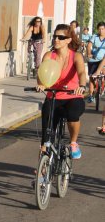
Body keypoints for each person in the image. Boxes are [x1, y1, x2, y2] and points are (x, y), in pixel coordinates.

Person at [36, 23, 87, 159]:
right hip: (53, 96)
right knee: (46, 133)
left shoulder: (76, 56)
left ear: (69, 40)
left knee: (72, 114)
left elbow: (82, 72)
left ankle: (73, 143)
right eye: (54, 37)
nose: (56, 40)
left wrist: (81, 86)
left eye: (60, 37)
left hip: (72, 96)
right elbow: (41, 73)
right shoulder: (49, 55)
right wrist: (40, 84)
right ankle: (43, 167)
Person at [86, 22, 105, 103]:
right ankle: (91, 95)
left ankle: (102, 86)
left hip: (103, 60)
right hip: (94, 60)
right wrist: (89, 53)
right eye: (99, 29)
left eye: (103, 29)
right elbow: (89, 45)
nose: (101, 31)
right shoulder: (94, 37)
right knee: (92, 78)